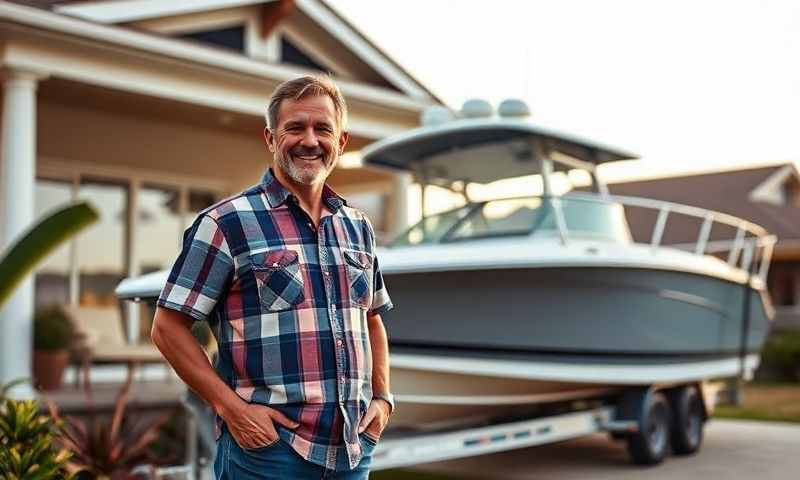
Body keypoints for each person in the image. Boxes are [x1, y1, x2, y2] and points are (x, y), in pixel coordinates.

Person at [151, 75, 395, 479]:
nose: (310, 140)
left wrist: (383, 398)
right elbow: (167, 328)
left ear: (342, 142)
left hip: (352, 453)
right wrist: (232, 409)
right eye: (295, 128)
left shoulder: (357, 226)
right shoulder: (226, 222)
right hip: (268, 454)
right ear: (270, 138)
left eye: (323, 129)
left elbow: (372, 318)